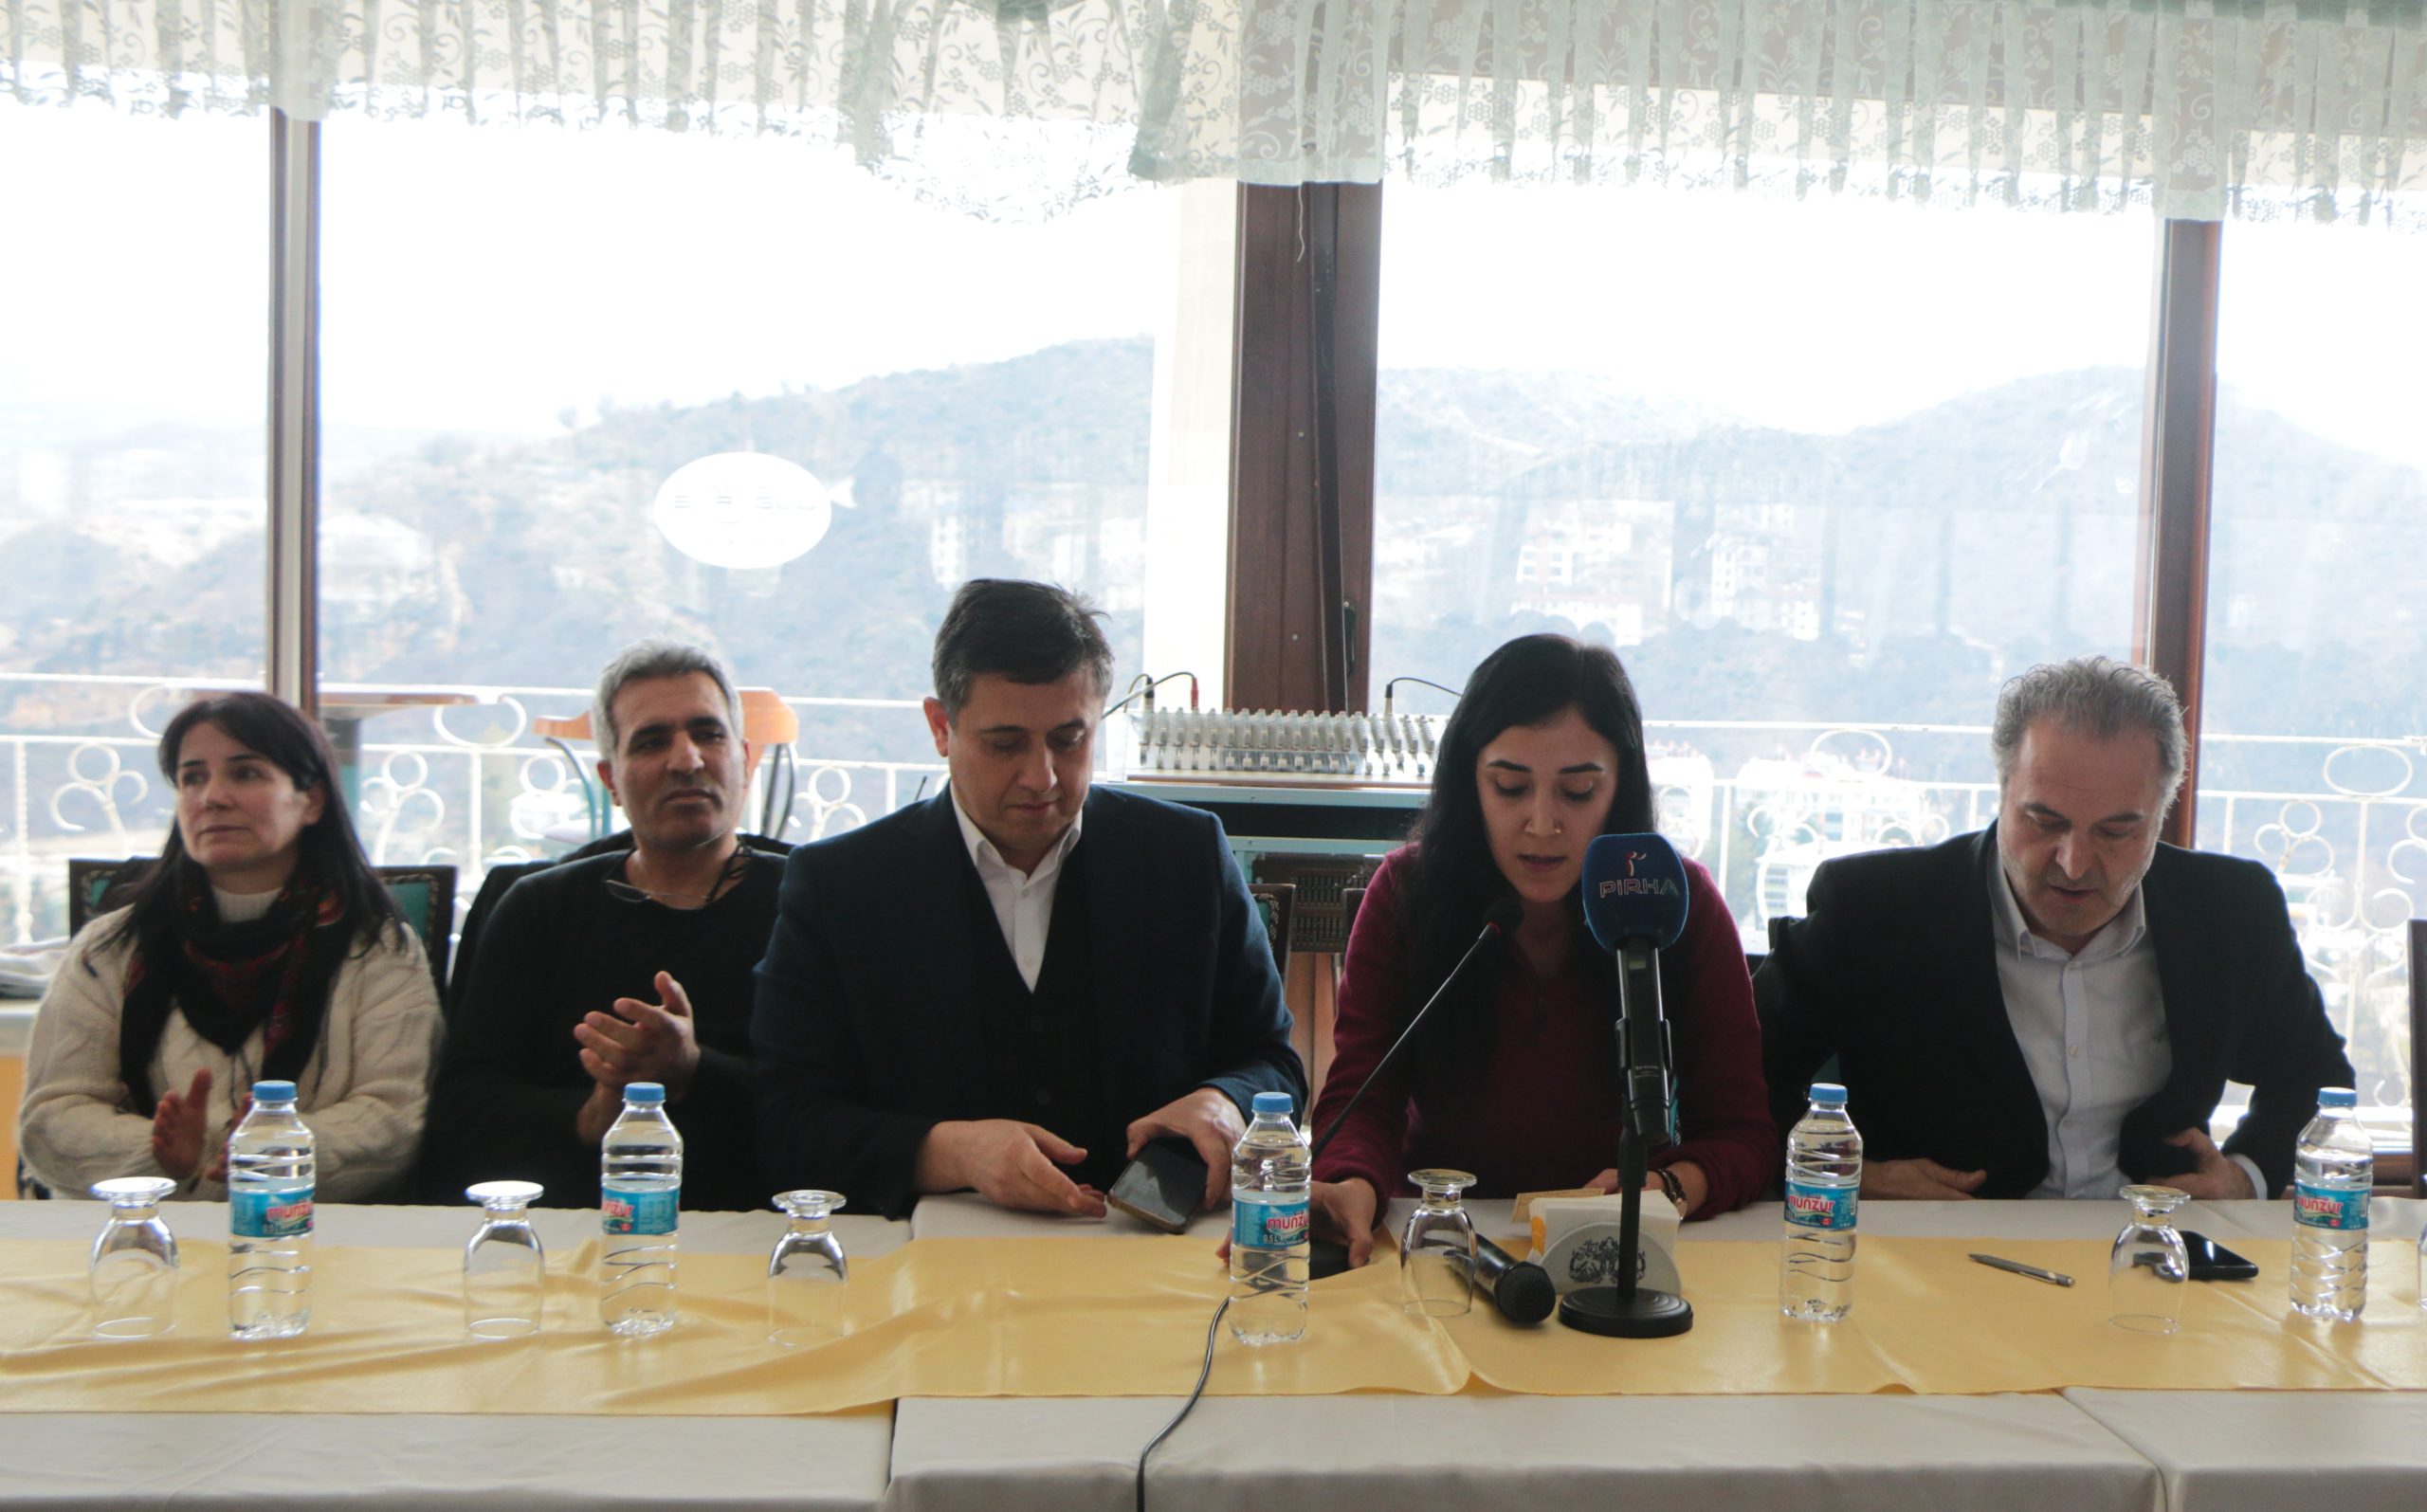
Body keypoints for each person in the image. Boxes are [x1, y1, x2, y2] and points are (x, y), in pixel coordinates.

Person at [752, 578, 1306, 1219]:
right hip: (932, 1252)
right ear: (940, 726)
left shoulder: (1185, 856)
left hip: (1144, 1249)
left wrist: (1224, 1101)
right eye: (1005, 743)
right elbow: (788, 1122)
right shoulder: (841, 885)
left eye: (1069, 740)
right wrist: (950, 1151)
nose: (1041, 777)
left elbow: (1273, 1062)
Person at [1757, 656, 2354, 1202]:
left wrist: (2246, 1176)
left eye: (2116, 832)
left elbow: (2314, 1079)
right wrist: (1851, 1175)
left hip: (2156, 1248)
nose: (2073, 863)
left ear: (2161, 815)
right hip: (1936, 1249)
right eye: (2044, 821)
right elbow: (1738, 1090)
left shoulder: (2231, 908)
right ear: (2002, 792)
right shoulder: (1873, 908)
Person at [1309, 634, 1775, 1266]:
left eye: (1578, 792)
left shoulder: (1675, 901)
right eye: (1509, 786)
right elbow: (1363, 1101)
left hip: (1623, 1245)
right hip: (1441, 1242)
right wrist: (1351, 1184)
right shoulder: (1405, 892)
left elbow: (1744, 1134)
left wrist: (1667, 1187)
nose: (1542, 823)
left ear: (1620, 788)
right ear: (1469, 782)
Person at [19, 692, 440, 1200]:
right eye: (193, 778)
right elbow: (51, 1121)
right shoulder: (108, 949)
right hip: (138, 1230)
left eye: (245, 773)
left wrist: (267, 1152)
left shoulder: (378, 948)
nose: (212, 797)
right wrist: (162, 1153)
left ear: (311, 800)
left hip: (314, 1232)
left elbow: (395, 1121)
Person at [421, 641, 781, 1211]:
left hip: (761, 1224)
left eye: (708, 734)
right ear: (610, 779)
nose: (686, 760)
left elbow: (848, 1109)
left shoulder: (812, 904)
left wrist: (694, 1069)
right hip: (566, 1225)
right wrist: (596, 1114)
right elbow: (463, 1113)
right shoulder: (538, 909)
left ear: (745, 759)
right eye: (652, 741)